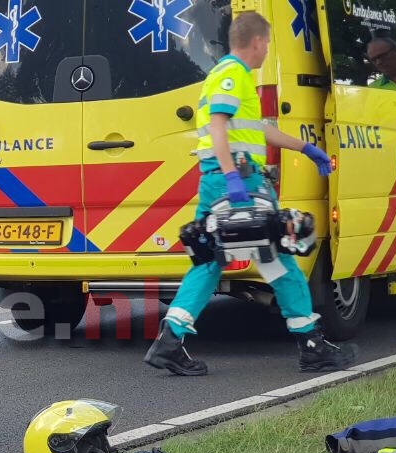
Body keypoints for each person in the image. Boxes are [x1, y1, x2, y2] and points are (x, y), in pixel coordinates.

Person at [144, 12, 359, 377]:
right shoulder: (233, 73)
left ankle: (170, 340)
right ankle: (310, 343)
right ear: (258, 42)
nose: (267, 50)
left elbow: (255, 129)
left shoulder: (225, 75)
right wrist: (233, 178)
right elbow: (218, 124)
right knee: (278, 255)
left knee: (210, 259)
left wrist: (304, 148)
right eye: (269, 44)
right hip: (239, 179)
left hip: (221, 178)